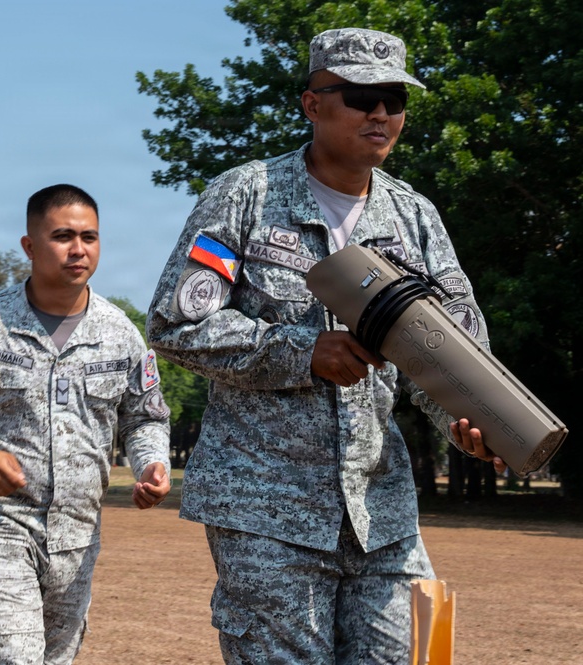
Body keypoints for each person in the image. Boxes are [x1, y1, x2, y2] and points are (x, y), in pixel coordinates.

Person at [146, 27, 501, 663]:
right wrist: (303, 352)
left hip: (381, 510)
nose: (381, 114)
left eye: (395, 100)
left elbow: (454, 352)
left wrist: (466, 420)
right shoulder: (245, 196)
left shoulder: (416, 218)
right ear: (312, 104)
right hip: (266, 509)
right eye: (362, 97)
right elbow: (179, 325)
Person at [0, 184, 172, 664]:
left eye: (89, 237)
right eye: (63, 236)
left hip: (77, 538)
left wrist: (151, 464)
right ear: (30, 246)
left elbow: (145, 416)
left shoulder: (120, 333)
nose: (79, 249)